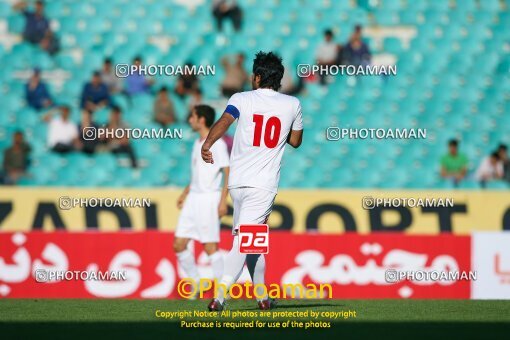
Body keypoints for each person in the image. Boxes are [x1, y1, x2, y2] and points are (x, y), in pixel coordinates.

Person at [202, 51, 303, 311]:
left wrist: (208, 143)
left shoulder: (240, 98)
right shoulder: (292, 104)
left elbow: (225, 120)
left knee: (251, 244)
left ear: (257, 77)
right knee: (244, 243)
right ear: (278, 79)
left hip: (238, 183)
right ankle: (220, 297)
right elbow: (295, 141)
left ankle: (263, 298)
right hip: (262, 185)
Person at [174, 105, 230, 293]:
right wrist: (185, 193)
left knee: (209, 246)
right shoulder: (197, 144)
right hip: (193, 198)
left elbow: (227, 170)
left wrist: (223, 201)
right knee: (179, 244)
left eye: (193, 116)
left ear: (202, 120)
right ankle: (196, 283)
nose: (190, 120)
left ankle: (223, 291)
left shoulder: (217, 144)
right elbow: (197, 174)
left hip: (209, 198)